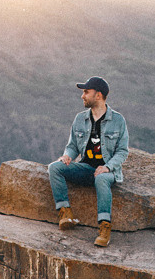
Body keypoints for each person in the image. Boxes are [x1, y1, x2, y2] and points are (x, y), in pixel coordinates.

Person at [48, 77, 129, 248]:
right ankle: (65, 214)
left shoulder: (118, 120)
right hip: (85, 168)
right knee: (55, 168)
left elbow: (122, 151)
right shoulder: (80, 118)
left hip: (107, 172)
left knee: (101, 179)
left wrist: (107, 167)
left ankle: (104, 227)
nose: (82, 96)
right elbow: (72, 146)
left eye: (86, 92)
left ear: (98, 95)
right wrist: (67, 156)